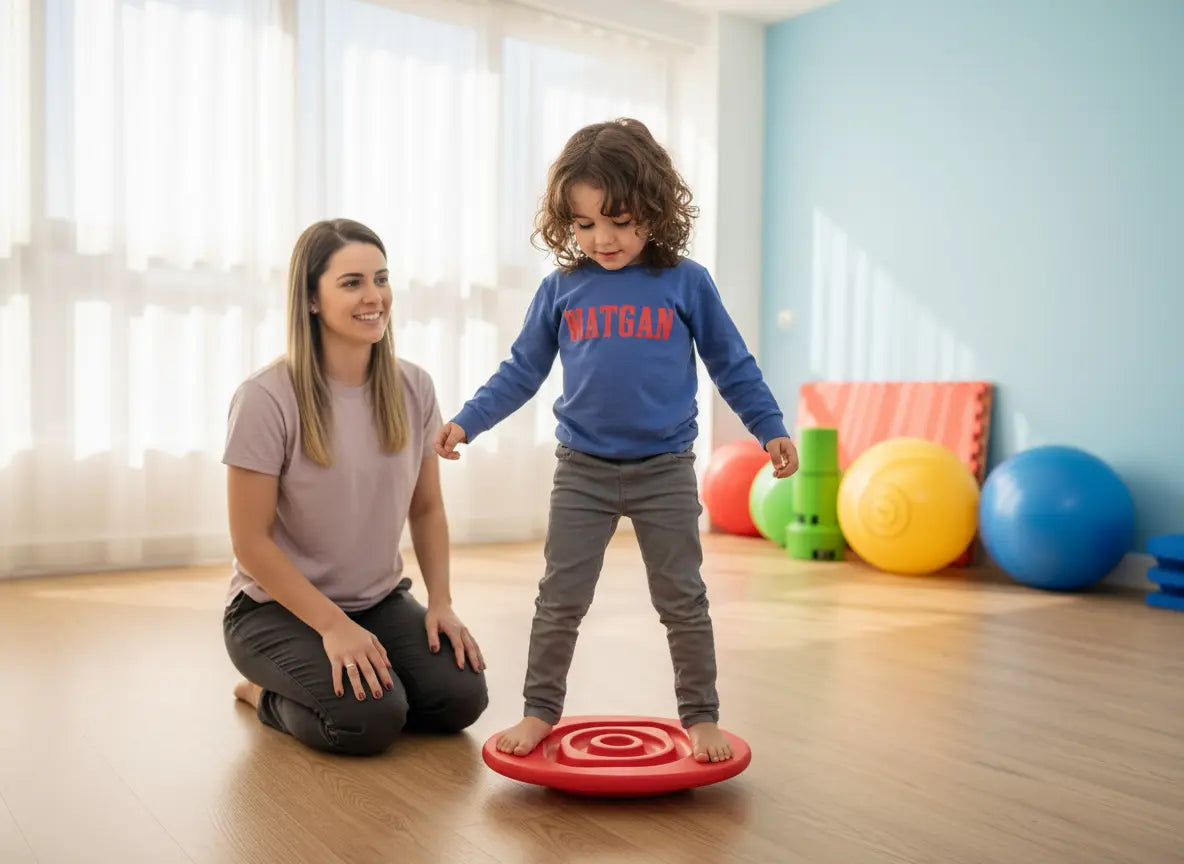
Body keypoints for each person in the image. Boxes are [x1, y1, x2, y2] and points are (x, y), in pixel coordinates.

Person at [433, 118, 798, 763]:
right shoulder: (561, 290)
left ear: (655, 210)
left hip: (665, 469)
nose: (603, 238)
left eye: (621, 220)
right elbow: (522, 370)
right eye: (584, 224)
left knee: (682, 600)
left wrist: (767, 426)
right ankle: (540, 711)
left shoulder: (686, 282)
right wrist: (468, 421)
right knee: (560, 600)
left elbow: (731, 362)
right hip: (582, 470)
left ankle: (702, 715)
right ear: (565, 223)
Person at [222, 218, 489, 756]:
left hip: (378, 599)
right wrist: (332, 626)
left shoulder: (413, 386)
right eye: (352, 283)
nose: (375, 297)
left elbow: (428, 507)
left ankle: (378, 675)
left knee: (459, 700)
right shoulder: (265, 398)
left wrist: (441, 602)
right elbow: (250, 544)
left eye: (381, 278)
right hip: (274, 610)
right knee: (367, 721)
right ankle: (261, 693)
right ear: (312, 299)